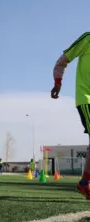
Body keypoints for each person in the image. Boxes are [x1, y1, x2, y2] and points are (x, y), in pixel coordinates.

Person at [51, 32, 90, 199]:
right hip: (87, 98)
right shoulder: (88, 39)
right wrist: (57, 83)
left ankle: (85, 183)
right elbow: (61, 61)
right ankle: (85, 183)